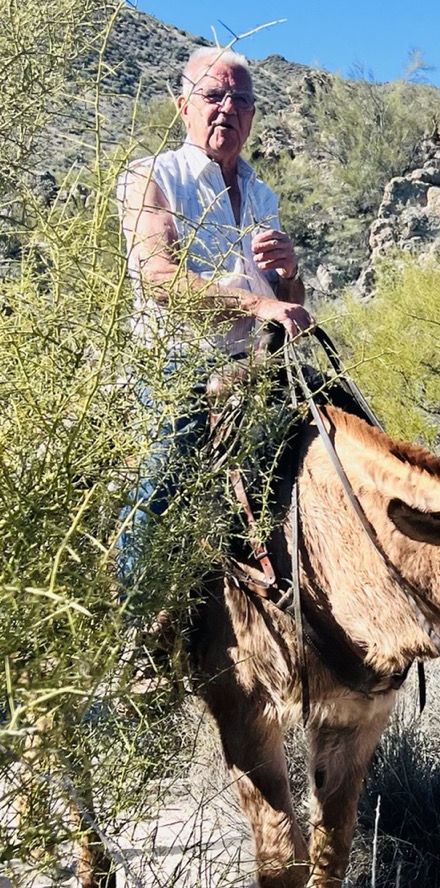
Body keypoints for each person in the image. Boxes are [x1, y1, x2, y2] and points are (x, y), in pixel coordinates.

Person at [116, 46, 312, 613]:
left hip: (256, 365)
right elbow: (159, 278)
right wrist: (258, 304)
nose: (227, 107)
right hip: (178, 364)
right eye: (214, 95)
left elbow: (288, 302)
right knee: (163, 480)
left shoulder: (261, 195)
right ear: (184, 105)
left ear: (252, 115)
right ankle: (132, 628)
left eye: (241, 99)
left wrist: (290, 276)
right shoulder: (151, 176)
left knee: (341, 435)